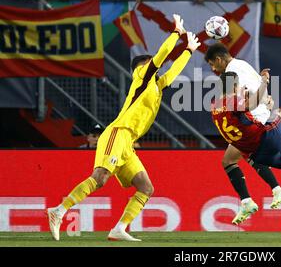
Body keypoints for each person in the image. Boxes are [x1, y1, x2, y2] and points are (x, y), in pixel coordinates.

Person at [47, 15, 201, 241]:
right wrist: (176, 33)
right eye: (150, 63)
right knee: (99, 178)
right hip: (118, 133)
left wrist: (188, 50)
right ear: (142, 65)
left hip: (127, 142)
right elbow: (160, 57)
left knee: (146, 188)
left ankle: (119, 228)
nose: (155, 67)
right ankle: (59, 211)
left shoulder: (156, 85)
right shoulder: (141, 75)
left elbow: (172, 73)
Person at [205, 43, 281, 225]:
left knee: (237, 157)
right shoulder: (239, 70)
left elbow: (249, 98)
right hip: (256, 126)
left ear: (218, 59)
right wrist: (264, 88)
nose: (213, 69)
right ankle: (278, 189)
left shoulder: (217, 101)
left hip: (253, 126)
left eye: (212, 64)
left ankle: (264, 194)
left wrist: (262, 102)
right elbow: (250, 97)